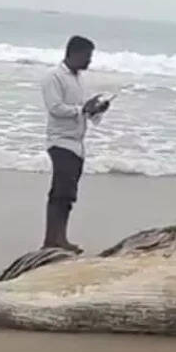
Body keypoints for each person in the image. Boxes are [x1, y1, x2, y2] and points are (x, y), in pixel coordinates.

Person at [41, 35, 110, 253]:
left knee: (68, 194)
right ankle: (52, 240)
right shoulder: (53, 77)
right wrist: (82, 109)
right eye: (87, 57)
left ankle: (60, 238)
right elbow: (55, 108)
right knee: (60, 193)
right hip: (60, 141)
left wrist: (96, 110)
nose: (90, 62)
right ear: (75, 54)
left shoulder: (79, 78)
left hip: (77, 144)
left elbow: (83, 110)